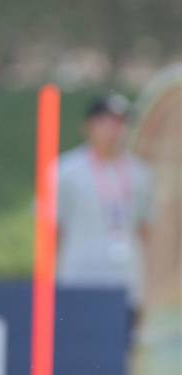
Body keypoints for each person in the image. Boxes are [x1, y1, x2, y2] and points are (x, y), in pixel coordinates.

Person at [57, 93, 153, 344]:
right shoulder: (65, 171)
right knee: (78, 351)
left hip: (124, 282)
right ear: (88, 126)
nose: (114, 130)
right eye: (105, 122)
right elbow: (53, 229)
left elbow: (144, 230)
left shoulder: (140, 174)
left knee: (119, 356)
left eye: (120, 122)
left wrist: (145, 288)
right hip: (79, 279)